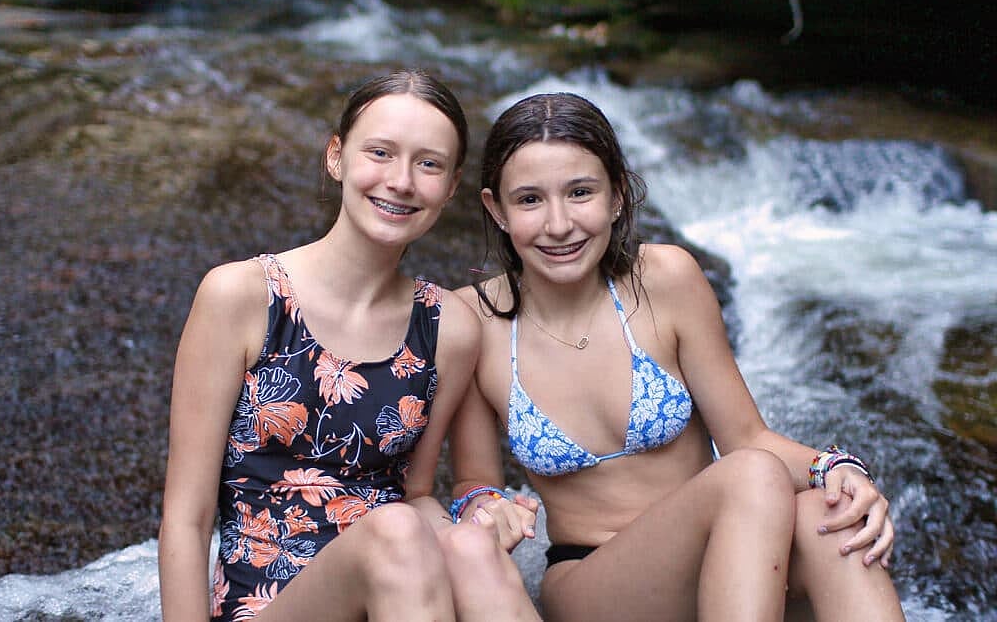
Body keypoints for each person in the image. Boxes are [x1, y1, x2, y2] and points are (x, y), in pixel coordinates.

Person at [450, 91, 906, 621]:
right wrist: (485, 505)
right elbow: (473, 483)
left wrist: (839, 469)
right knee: (751, 476)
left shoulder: (667, 279)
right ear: (496, 210)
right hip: (592, 579)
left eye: (580, 192)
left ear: (617, 195)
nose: (558, 224)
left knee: (836, 523)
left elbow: (747, 437)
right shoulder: (473, 321)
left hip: (729, 546)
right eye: (530, 200)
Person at [158, 69, 540, 622]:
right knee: (395, 530)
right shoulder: (242, 296)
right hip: (270, 606)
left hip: (397, 594)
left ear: (451, 186)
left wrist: (482, 516)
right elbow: (186, 518)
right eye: (380, 153)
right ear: (336, 156)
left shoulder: (447, 326)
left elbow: (414, 493)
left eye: (428, 163)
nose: (402, 181)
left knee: (459, 542)